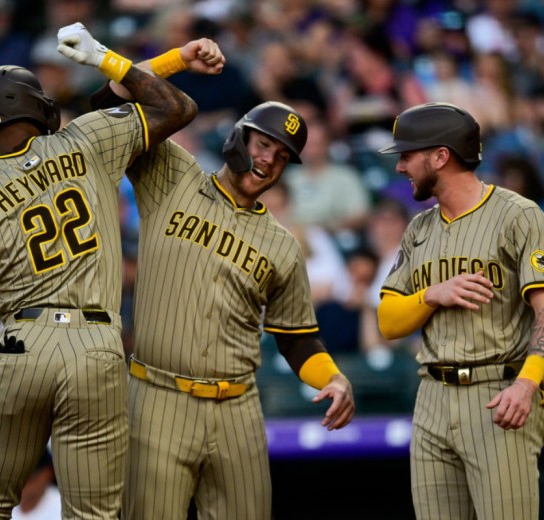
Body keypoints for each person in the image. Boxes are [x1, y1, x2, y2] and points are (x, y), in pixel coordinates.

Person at [0, 22, 198, 519]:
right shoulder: (85, 139)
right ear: (37, 106)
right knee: (93, 514)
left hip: (22, 344)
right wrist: (118, 58)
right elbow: (174, 107)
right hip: (95, 345)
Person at [95, 75, 355, 520]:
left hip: (238, 408)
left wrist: (332, 377)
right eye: (263, 144)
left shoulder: (282, 244)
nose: (268, 160)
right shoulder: (174, 175)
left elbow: (296, 337)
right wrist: (146, 64)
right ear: (238, 136)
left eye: (281, 156)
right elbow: (105, 118)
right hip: (159, 395)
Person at [376, 102, 544, 519]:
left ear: (440, 156)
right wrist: (431, 295)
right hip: (430, 396)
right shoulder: (419, 228)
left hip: (497, 393)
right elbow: (388, 322)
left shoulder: (518, 215)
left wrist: (526, 385)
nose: (400, 168)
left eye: (407, 156)